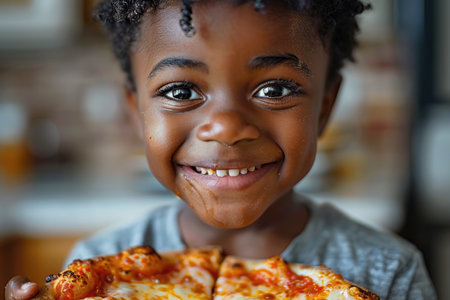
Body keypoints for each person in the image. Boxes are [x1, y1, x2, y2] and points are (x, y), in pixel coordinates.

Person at [5, 0, 437, 299]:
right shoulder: (93, 267)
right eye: (180, 91)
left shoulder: (388, 272)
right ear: (135, 111)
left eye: (276, 88)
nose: (227, 128)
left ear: (325, 107)